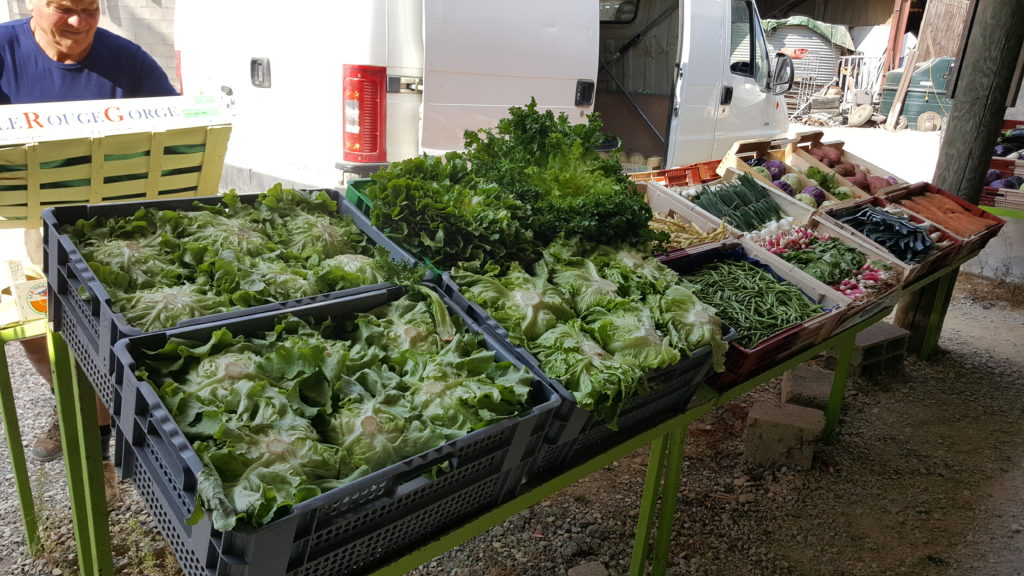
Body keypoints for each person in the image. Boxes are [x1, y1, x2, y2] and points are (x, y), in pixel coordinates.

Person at [0, 0, 178, 476]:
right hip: (37, 222)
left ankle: (103, 434)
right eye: (63, 9)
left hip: (117, 229)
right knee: (38, 335)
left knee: (105, 335)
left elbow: (179, 133)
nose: (79, 23)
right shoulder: (3, 50)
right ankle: (72, 403)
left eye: (90, 9)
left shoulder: (129, 60)